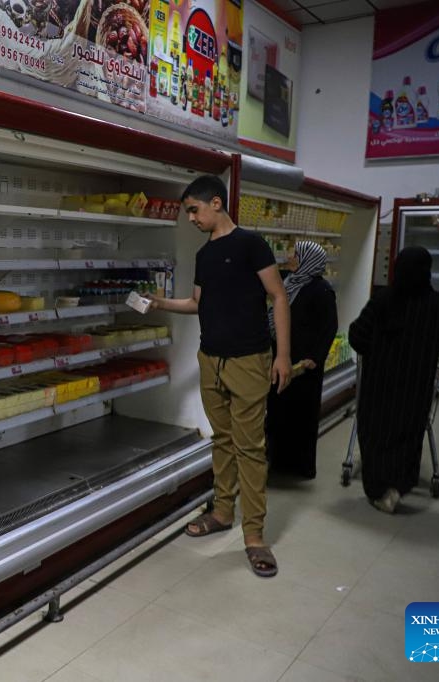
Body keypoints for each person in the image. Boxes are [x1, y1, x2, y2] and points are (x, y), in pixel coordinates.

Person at [145, 175, 292, 578]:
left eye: (194, 209)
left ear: (216, 202)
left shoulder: (251, 244)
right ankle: (223, 512)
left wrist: (283, 355)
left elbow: (278, 296)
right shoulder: (205, 255)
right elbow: (196, 303)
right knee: (223, 440)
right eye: (188, 211)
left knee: (250, 447)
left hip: (249, 359)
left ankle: (255, 536)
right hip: (211, 358)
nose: (191, 217)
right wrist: (159, 302)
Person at [348, 246, 439, 513]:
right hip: (416, 385)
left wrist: (375, 349)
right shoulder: (438, 303)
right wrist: (429, 348)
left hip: (379, 384)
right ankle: (398, 484)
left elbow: (357, 335)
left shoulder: (383, 300)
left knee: (374, 432)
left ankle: (379, 489)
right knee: (409, 433)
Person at [265, 241, 338, 479]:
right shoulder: (287, 282)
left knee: (300, 417)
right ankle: (276, 462)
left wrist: (314, 358)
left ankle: (299, 467)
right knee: (277, 412)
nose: (290, 257)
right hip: (280, 358)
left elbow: (328, 328)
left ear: (308, 259)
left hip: (304, 366)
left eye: (295, 254)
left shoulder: (321, 290)